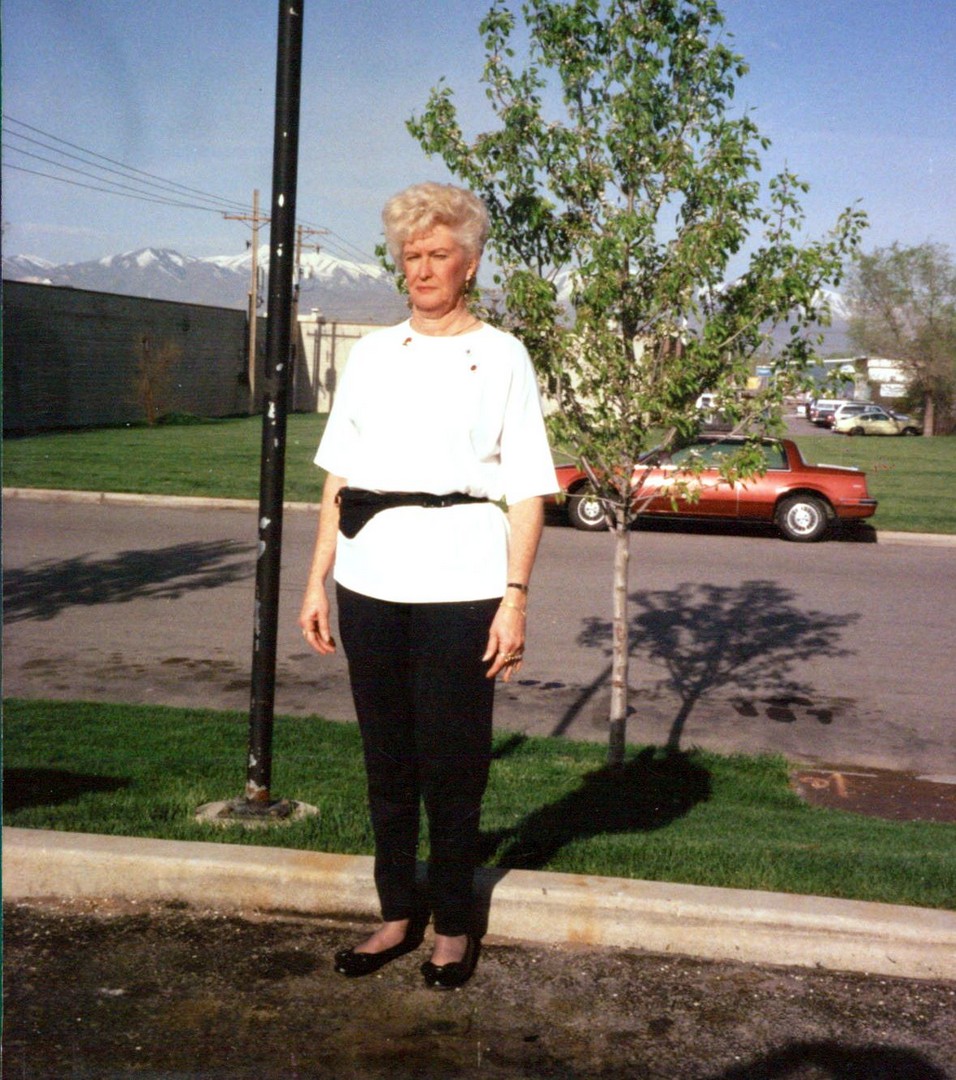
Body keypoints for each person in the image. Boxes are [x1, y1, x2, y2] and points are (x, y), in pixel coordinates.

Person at [298, 181, 556, 990]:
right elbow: (339, 477)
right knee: (387, 761)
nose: (421, 268)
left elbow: (529, 489)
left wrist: (514, 597)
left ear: (469, 264)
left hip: (463, 582)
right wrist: (316, 581)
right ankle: (395, 914)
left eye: (438, 254)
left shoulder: (503, 356)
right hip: (369, 579)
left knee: (453, 762)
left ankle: (452, 923)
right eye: (411, 255)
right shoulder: (373, 355)